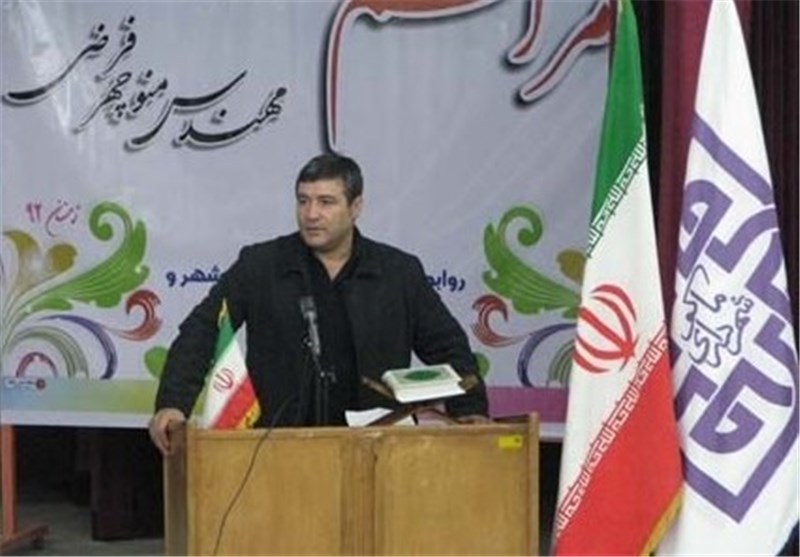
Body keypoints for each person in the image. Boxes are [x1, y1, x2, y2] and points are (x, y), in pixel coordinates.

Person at [148, 153, 489, 455]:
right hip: (278, 445)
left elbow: (448, 347)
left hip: (376, 445)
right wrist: (173, 404)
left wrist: (469, 410)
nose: (311, 214)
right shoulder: (261, 265)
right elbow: (203, 329)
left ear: (355, 207)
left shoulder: (398, 272)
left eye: (326, 202)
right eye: (303, 201)